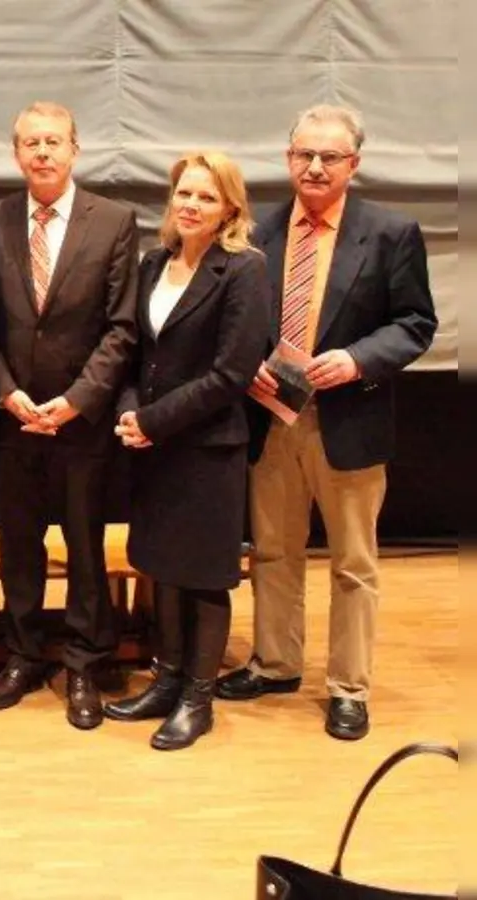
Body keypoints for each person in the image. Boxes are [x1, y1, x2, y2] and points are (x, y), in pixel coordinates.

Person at [216, 105, 437, 741]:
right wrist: (250, 365)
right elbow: (241, 320)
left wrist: (358, 358)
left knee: (353, 564)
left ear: (353, 164)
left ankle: (347, 687)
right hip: (272, 421)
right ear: (288, 160)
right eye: (303, 155)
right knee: (275, 552)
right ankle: (278, 663)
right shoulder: (258, 231)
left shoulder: (391, 233)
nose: (315, 167)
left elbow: (416, 324)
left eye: (329, 157)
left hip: (350, 421)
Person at [0, 102, 140, 729]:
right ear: (15, 153)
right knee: (17, 545)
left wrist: (76, 401)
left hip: (83, 422)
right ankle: (22, 654)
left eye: (53, 142)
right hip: (13, 416)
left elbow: (123, 327)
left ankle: (82, 661)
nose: (42, 153)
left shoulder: (116, 221)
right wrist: (4, 391)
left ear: (75, 149)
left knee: (83, 546)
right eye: (30, 143)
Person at [103, 151, 269, 751]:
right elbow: (134, 354)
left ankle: (198, 698)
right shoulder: (154, 264)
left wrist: (152, 421)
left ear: (229, 206)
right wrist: (128, 412)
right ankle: (165, 680)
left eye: (205, 196)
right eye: (183, 194)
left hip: (206, 449)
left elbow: (232, 373)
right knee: (161, 569)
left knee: (202, 578)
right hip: (152, 445)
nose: (191, 206)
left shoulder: (244, 269)